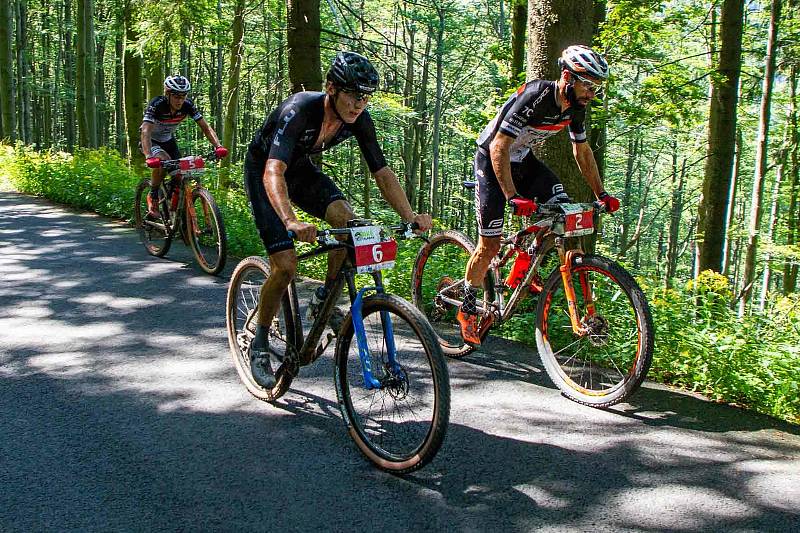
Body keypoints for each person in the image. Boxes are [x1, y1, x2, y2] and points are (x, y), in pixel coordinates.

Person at [243, 51, 432, 387]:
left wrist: (410, 216)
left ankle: (324, 299)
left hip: (301, 171)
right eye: (353, 95)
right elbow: (274, 169)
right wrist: (290, 220)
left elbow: (382, 172)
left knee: (349, 226)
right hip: (265, 171)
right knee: (285, 265)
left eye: (365, 97)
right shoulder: (300, 109)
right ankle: (258, 343)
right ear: (331, 87)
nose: (359, 104)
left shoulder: (360, 118)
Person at [457, 44, 621, 347]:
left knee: (565, 209)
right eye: (588, 85)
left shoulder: (577, 108)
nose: (591, 93)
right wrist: (512, 196)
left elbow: (581, 151)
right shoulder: (536, 96)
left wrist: (602, 193)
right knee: (490, 244)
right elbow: (499, 147)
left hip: (525, 161)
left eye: (596, 87)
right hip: (492, 159)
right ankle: (467, 303)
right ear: (567, 77)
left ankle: (527, 259)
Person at [140, 75, 228, 217]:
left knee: (180, 175)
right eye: (176, 96)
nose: (180, 100)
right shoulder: (157, 104)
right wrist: (148, 156)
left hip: (169, 141)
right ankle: (153, 194)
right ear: (167, 94)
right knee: (163, 161)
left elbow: (205, 127)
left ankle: (175, 213)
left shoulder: (187, 105)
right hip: (151, 141)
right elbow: (145, 130)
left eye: (183, 96)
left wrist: (218, 146)